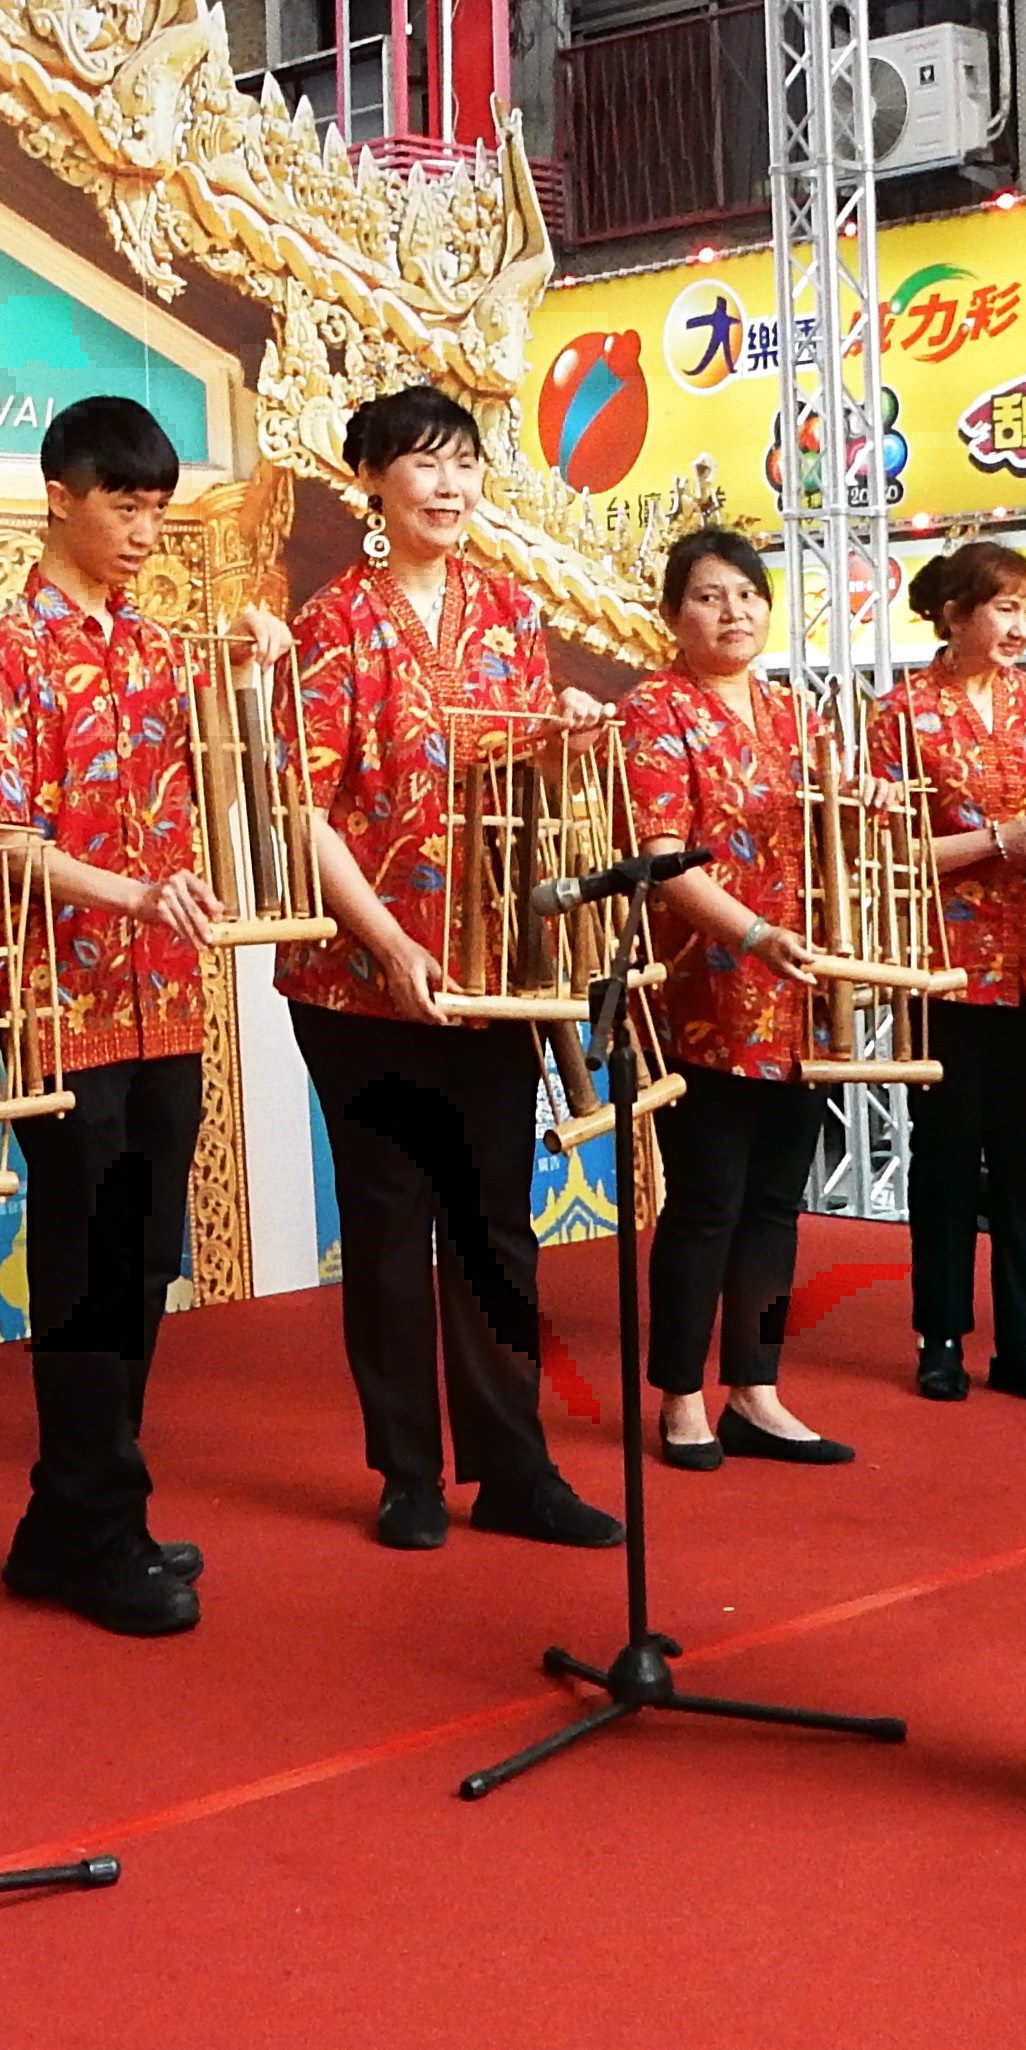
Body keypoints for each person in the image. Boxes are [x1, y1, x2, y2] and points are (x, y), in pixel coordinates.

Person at [0, 396, 282, 1640]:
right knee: (87, 1268)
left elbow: (229, 779)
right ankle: (101, 1527)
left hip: (166, 1002)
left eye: (158, 508)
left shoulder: (157, 649)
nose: (147, 530)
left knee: (144, 1262)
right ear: (60, 496)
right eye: (125, 505)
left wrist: (246, 672)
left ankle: (69, 1518)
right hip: (61, 1000)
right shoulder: (12, 656)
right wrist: (132, 891)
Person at [284, 384, 619, 1552]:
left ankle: (516, 1468)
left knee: (494, 1221)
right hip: (356, 974)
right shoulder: (333, 621)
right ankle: (407, 1473)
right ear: (372, 481)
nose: (449, 483)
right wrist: (385, 941)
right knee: (387, 1219)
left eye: (464, 461)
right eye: (422, 463)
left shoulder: (509, 611)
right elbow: (303, 811)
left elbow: (520, 783)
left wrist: (566, 729)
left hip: (488, 968)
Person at [622, 525, 849, 1472]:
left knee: (775, 1201)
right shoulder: (653, 711)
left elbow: (834, 834)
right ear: (674, 614)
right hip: (705, 988)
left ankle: (757, 1389)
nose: (735, 612)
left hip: (802, 992)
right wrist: (753, 933)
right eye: (710, 596)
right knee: (707, 1200)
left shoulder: (799, 714)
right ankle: (681, 1395)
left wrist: (860, 804)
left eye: (749, 594)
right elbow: (665, 863)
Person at [872, 537, 1026, 1405]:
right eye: (1003, 607)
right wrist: (999, 839)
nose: (1020, 626)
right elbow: (882, 853)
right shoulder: (900, 714)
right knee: (947, 1153)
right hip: (943, 968)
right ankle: (941, 1336)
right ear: (954, 615)